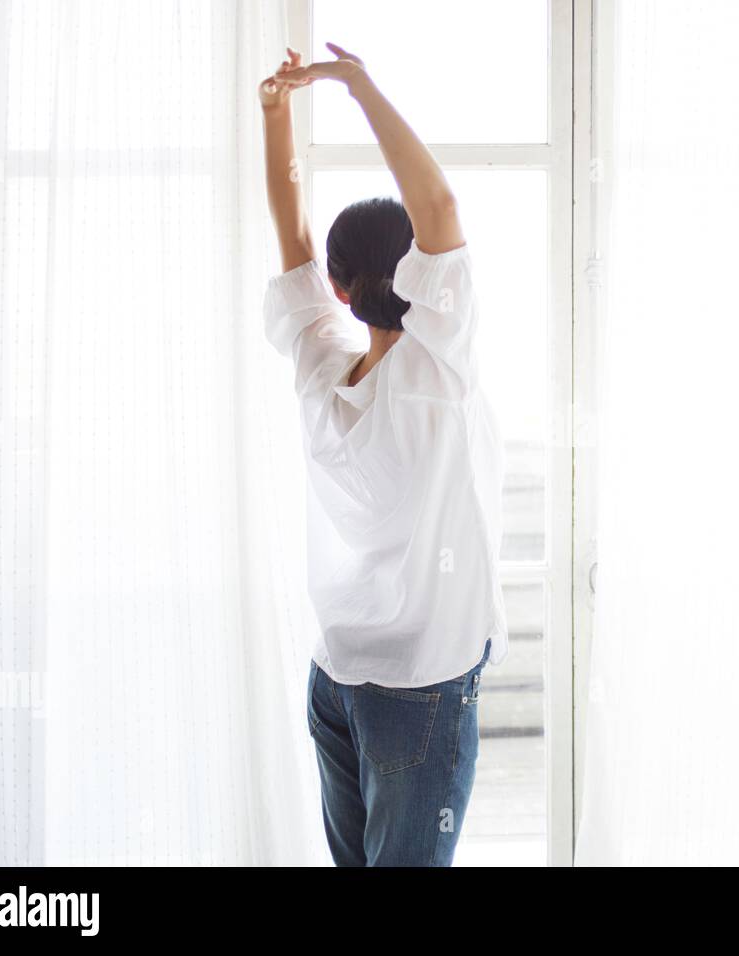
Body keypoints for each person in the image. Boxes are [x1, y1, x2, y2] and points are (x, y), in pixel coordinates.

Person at [259, 43, 507, 867]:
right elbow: (436, 200)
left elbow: (291, 235)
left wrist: (274, 113)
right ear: (417, 272)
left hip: (335, 676)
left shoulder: (321, 373)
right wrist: (356, 82)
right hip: (419, 689)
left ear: (338, 288)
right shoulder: (437, 371)